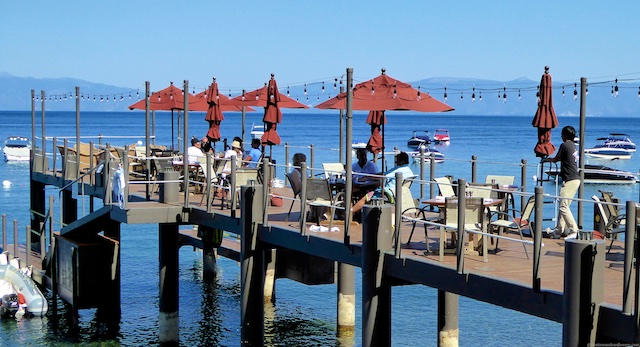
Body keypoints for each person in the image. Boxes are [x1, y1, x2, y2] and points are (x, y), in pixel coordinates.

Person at [542, 125, 580, 239]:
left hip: (570, 180)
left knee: (563, 206)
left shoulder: (564, 145)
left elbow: (555, 159)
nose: (561, 136)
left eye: (562, 134)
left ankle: (575, 230)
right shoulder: (573, 145)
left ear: (565, 135)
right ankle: (559, 231)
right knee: (564, 206)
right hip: (575, 179)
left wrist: (545, 159)